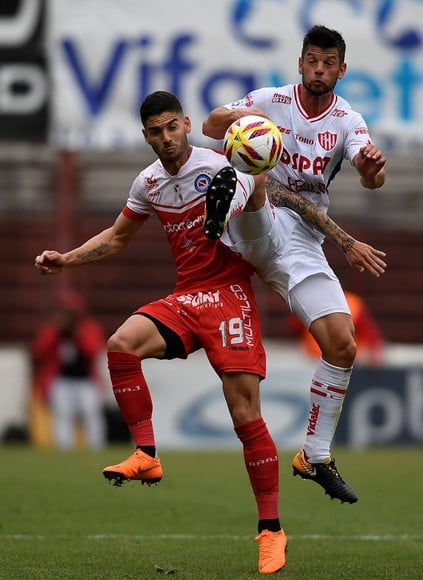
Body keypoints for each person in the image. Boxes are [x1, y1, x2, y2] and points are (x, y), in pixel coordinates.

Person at [34, 91, 287, 574]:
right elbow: (116, 238)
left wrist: (246, 188)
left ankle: (271, 531)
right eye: (157, 131)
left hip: (229, 293)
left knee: (244, 415)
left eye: (173, 127)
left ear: (187, 124)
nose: (167, 138)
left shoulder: (220, 164)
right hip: (187, 295)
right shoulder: (148, 182)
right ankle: (146, 454)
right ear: (146, 135)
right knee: (120, 345)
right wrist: (65, 259)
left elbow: (255, 193)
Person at [201, 24, 387, 504]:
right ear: (300, 63)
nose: (319, 70)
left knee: (342, 344)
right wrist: (237, 115)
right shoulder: (270, 101)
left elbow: (369, 175)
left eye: (329, 63)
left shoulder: (348, 120)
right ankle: (220, 212)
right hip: (261, 216)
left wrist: (371, 170)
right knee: (252, 171)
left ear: (342, 70)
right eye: (312, 61)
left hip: (304, 240)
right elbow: (211, 126)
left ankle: (315, 456)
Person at [31, 290, 107, 450]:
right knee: (62, 415)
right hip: (62, 381)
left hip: (86, 382)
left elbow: (93, 351)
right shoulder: (53, 330)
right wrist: (57, 332)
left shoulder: (89, 328)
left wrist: (77, 334)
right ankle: (64, 451)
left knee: (91, 414)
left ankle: (97, 449)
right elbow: (40, 350)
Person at [291, 291, 385, 367]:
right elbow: (295, 326)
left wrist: (373, 352)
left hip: (338, 362)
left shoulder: (352, 303)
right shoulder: (352, 303)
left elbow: (369, 333)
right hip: (316, 360)